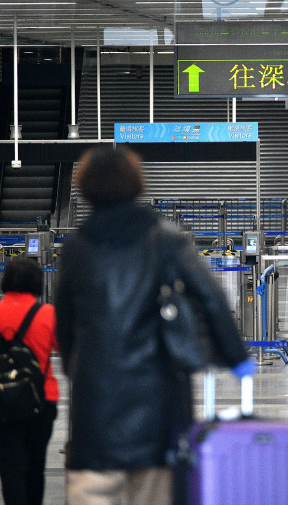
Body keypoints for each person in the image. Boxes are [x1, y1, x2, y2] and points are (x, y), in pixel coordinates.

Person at [54, 145, 253, 505]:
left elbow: (64, 326)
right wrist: (236, 358)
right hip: (158, 402)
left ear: (85, 187)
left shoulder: (76, 247)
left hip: (94, 407)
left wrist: (79, 371)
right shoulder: (165, 238)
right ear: (136, 183)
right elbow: (211, 297)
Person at [0, 257, 59, 505]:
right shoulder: (47, 314)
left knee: (10, 464)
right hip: (41, 398)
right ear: (37, 282)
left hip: (1, 398)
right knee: (36, 465)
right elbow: (65, 346)